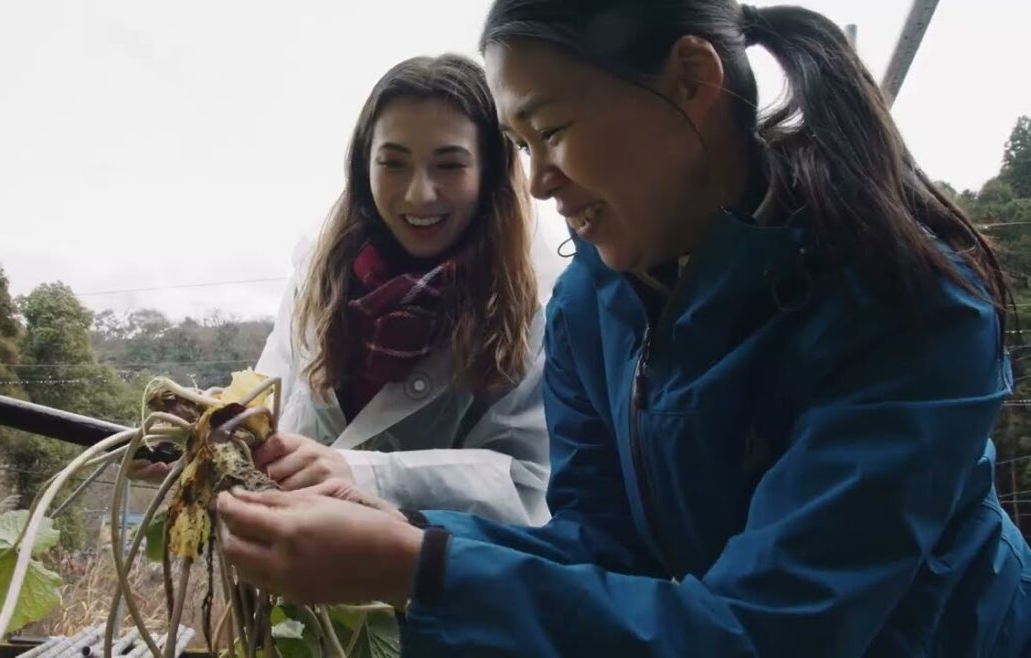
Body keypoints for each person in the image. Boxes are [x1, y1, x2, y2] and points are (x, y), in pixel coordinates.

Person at [213, 1, 1031, 656]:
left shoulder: (903, 304)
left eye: (554, 130)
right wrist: (409, 530)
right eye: (522, 145)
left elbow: (775, 629)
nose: (537, 184)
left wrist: (424, 570)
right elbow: (601, 552)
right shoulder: (594, 304)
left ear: (688, 81)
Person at [134, 54, 551, 526]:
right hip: (290, 576)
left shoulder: (531, 304)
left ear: (491, 173)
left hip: (426, 592)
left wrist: (365, 474)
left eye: (449, 165)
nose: (419, 193)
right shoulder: (320, 273)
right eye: (393, 163)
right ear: (362, 165)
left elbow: (527, 487)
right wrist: (202, 441)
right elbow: (269, 409)